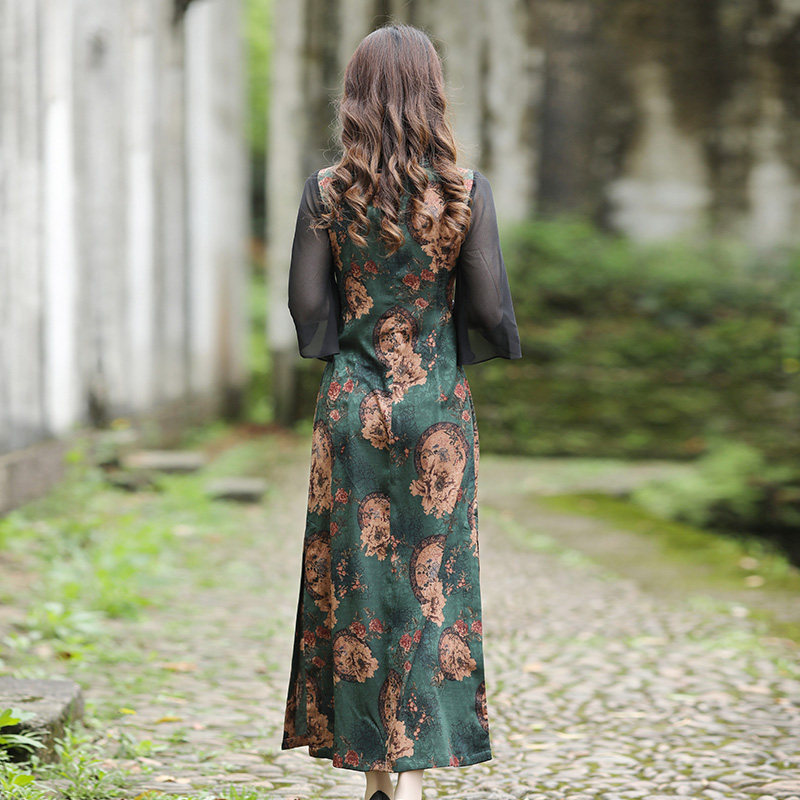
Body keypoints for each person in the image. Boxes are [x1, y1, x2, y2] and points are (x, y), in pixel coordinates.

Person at [281, 21, 522, 800]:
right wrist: (449, 353)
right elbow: (488, 307)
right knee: (434, 587)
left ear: (354, 97)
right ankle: (414, 774)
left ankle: (374, 774)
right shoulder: (464, 191)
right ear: (433, 94)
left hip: (353, 409)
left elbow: (306, 307)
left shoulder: (327, 191)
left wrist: (350, 354)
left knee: (353, 582)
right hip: (437, 413)